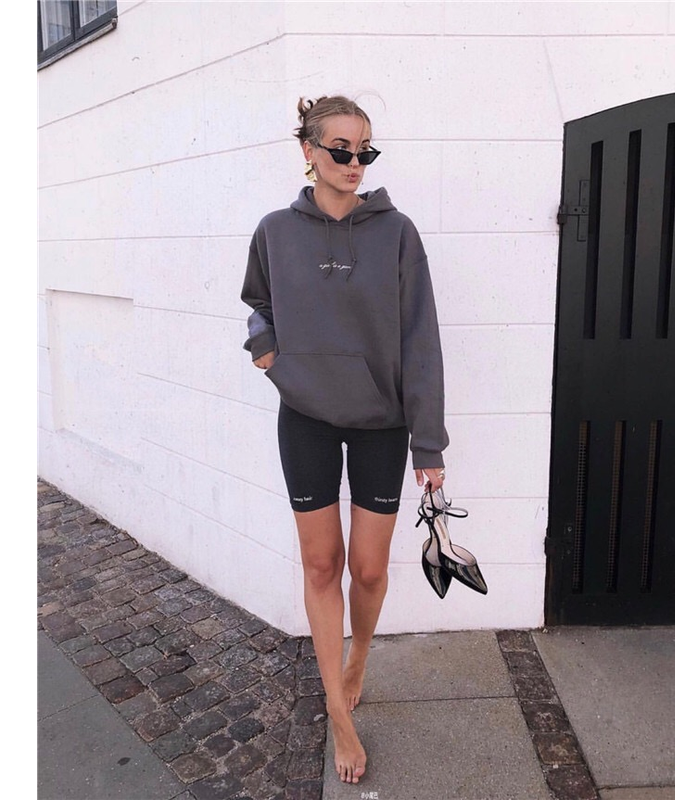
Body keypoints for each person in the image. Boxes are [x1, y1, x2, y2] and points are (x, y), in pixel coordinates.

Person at [240, 94, 449, 785]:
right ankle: (337, 708)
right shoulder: (275, 231)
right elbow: (257, 303)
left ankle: (358, 658)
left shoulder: (397, 233)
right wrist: (269, 354)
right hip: (305, 415)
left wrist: (429, 445)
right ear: (309, 151)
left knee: (368, 569)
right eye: (340, 150)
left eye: (365, 151)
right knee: (321, 565)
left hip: (382, 421)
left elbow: (421, 340)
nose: (354, 162)